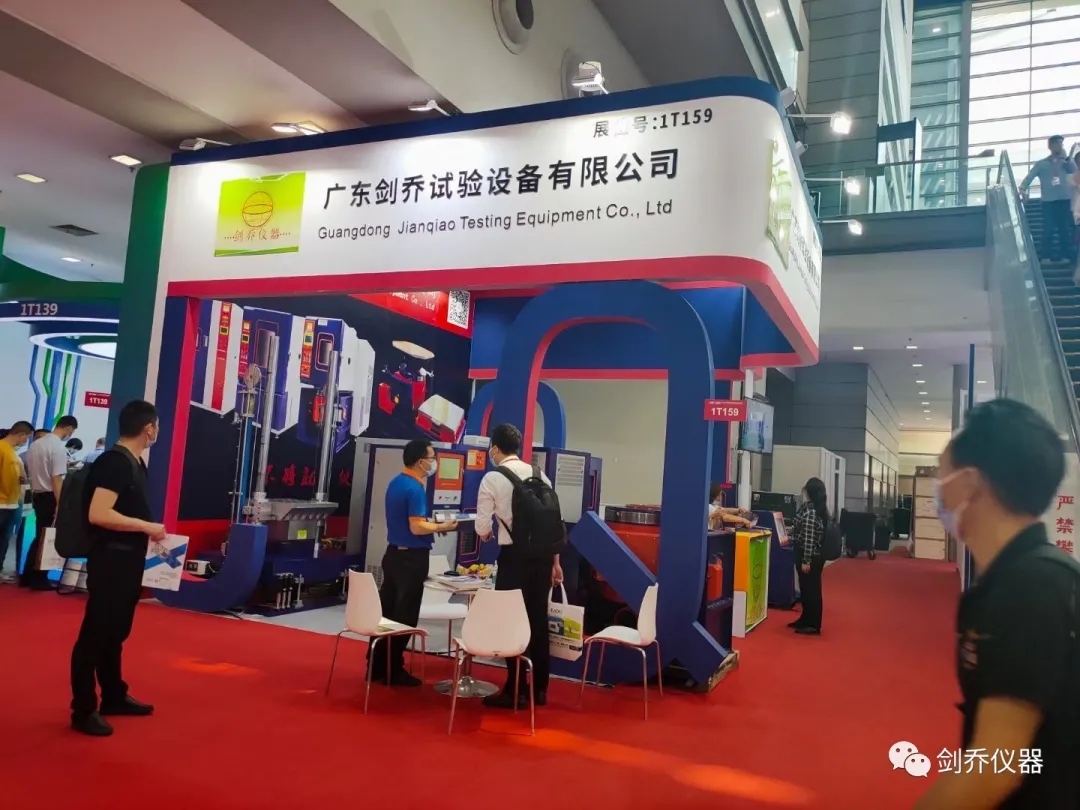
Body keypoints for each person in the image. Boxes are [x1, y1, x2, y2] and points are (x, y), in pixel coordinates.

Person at [914, 399, 1080, 810]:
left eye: (942, 473)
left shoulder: (1031, 587)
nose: (938, 488)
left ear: (970, 483)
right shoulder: (1017, 578)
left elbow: (995, 766)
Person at [70, 400, 165, 737]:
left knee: (116, 632)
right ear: (148, 428)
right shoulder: (114, 463)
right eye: (156, 426)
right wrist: (146, 526)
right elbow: (99, 513)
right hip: (110, 560)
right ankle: (83, 709)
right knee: (96, 634)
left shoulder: (134, 462)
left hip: (127, 561)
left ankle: (113, 694)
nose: (157, 431)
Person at [475, 423, 562, 709]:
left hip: (514, 559)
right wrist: (556, 563)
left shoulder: (493, 478)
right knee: (538, 619)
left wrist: (487, 534)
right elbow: (552, 523)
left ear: (495, 448)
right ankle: (540, 689)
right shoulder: (540, 474)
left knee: (511, 621)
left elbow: (482, 527)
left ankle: (515, 690)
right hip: (544, 559)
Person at [367, 438, 456, 687]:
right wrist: (442, 526)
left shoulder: (396, 482)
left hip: (393, 555)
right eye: (432, 458)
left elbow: (412, 522)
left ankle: (375, 665)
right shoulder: (415, 488)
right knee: (405, 616)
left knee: (387, 614)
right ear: (420, 461)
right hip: (411, 560)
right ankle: (394, 669)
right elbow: (416, 527)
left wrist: (431, 526)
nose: (434, 462)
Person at [21, 415, 77, 589]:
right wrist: (60, 503)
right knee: (47, 538)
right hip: (50, 495)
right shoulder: (58, 447)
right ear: (69, 428)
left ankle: (28, 575)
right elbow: (56, 478)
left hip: (37, 494)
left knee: (40, 536)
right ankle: (39, 578)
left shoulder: (36, 444)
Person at [1019, 135, 1077, 267]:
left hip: (1064, 200)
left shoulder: (1066, 162)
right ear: (1050, 146)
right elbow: (1030, 176)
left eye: (1061, 144)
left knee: (1064, 229)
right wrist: (1022, 189)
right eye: (1057, 144)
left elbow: (1075, 173)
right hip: (1048, 201)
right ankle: (1045, 256)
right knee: (1048, 228)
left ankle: (1065, 256)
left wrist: (1067, 159)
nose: (1059, 147)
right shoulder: (1042, 164)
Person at [789, 477, 828, 635]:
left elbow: (809, 538)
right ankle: (805, 618)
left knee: (812, 590)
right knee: (806, 588)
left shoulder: (811, 512)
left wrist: (806, 561)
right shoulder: (813, 507)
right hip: (810, 554)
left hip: (810, 556)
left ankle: (813, 624)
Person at [0, 422, 33, 584]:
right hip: (2, 503)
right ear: (22, 435)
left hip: (11, 503)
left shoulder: (12, 452)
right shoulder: (2, 449)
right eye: (27, 437)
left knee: (4, 540)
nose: (26, 441)